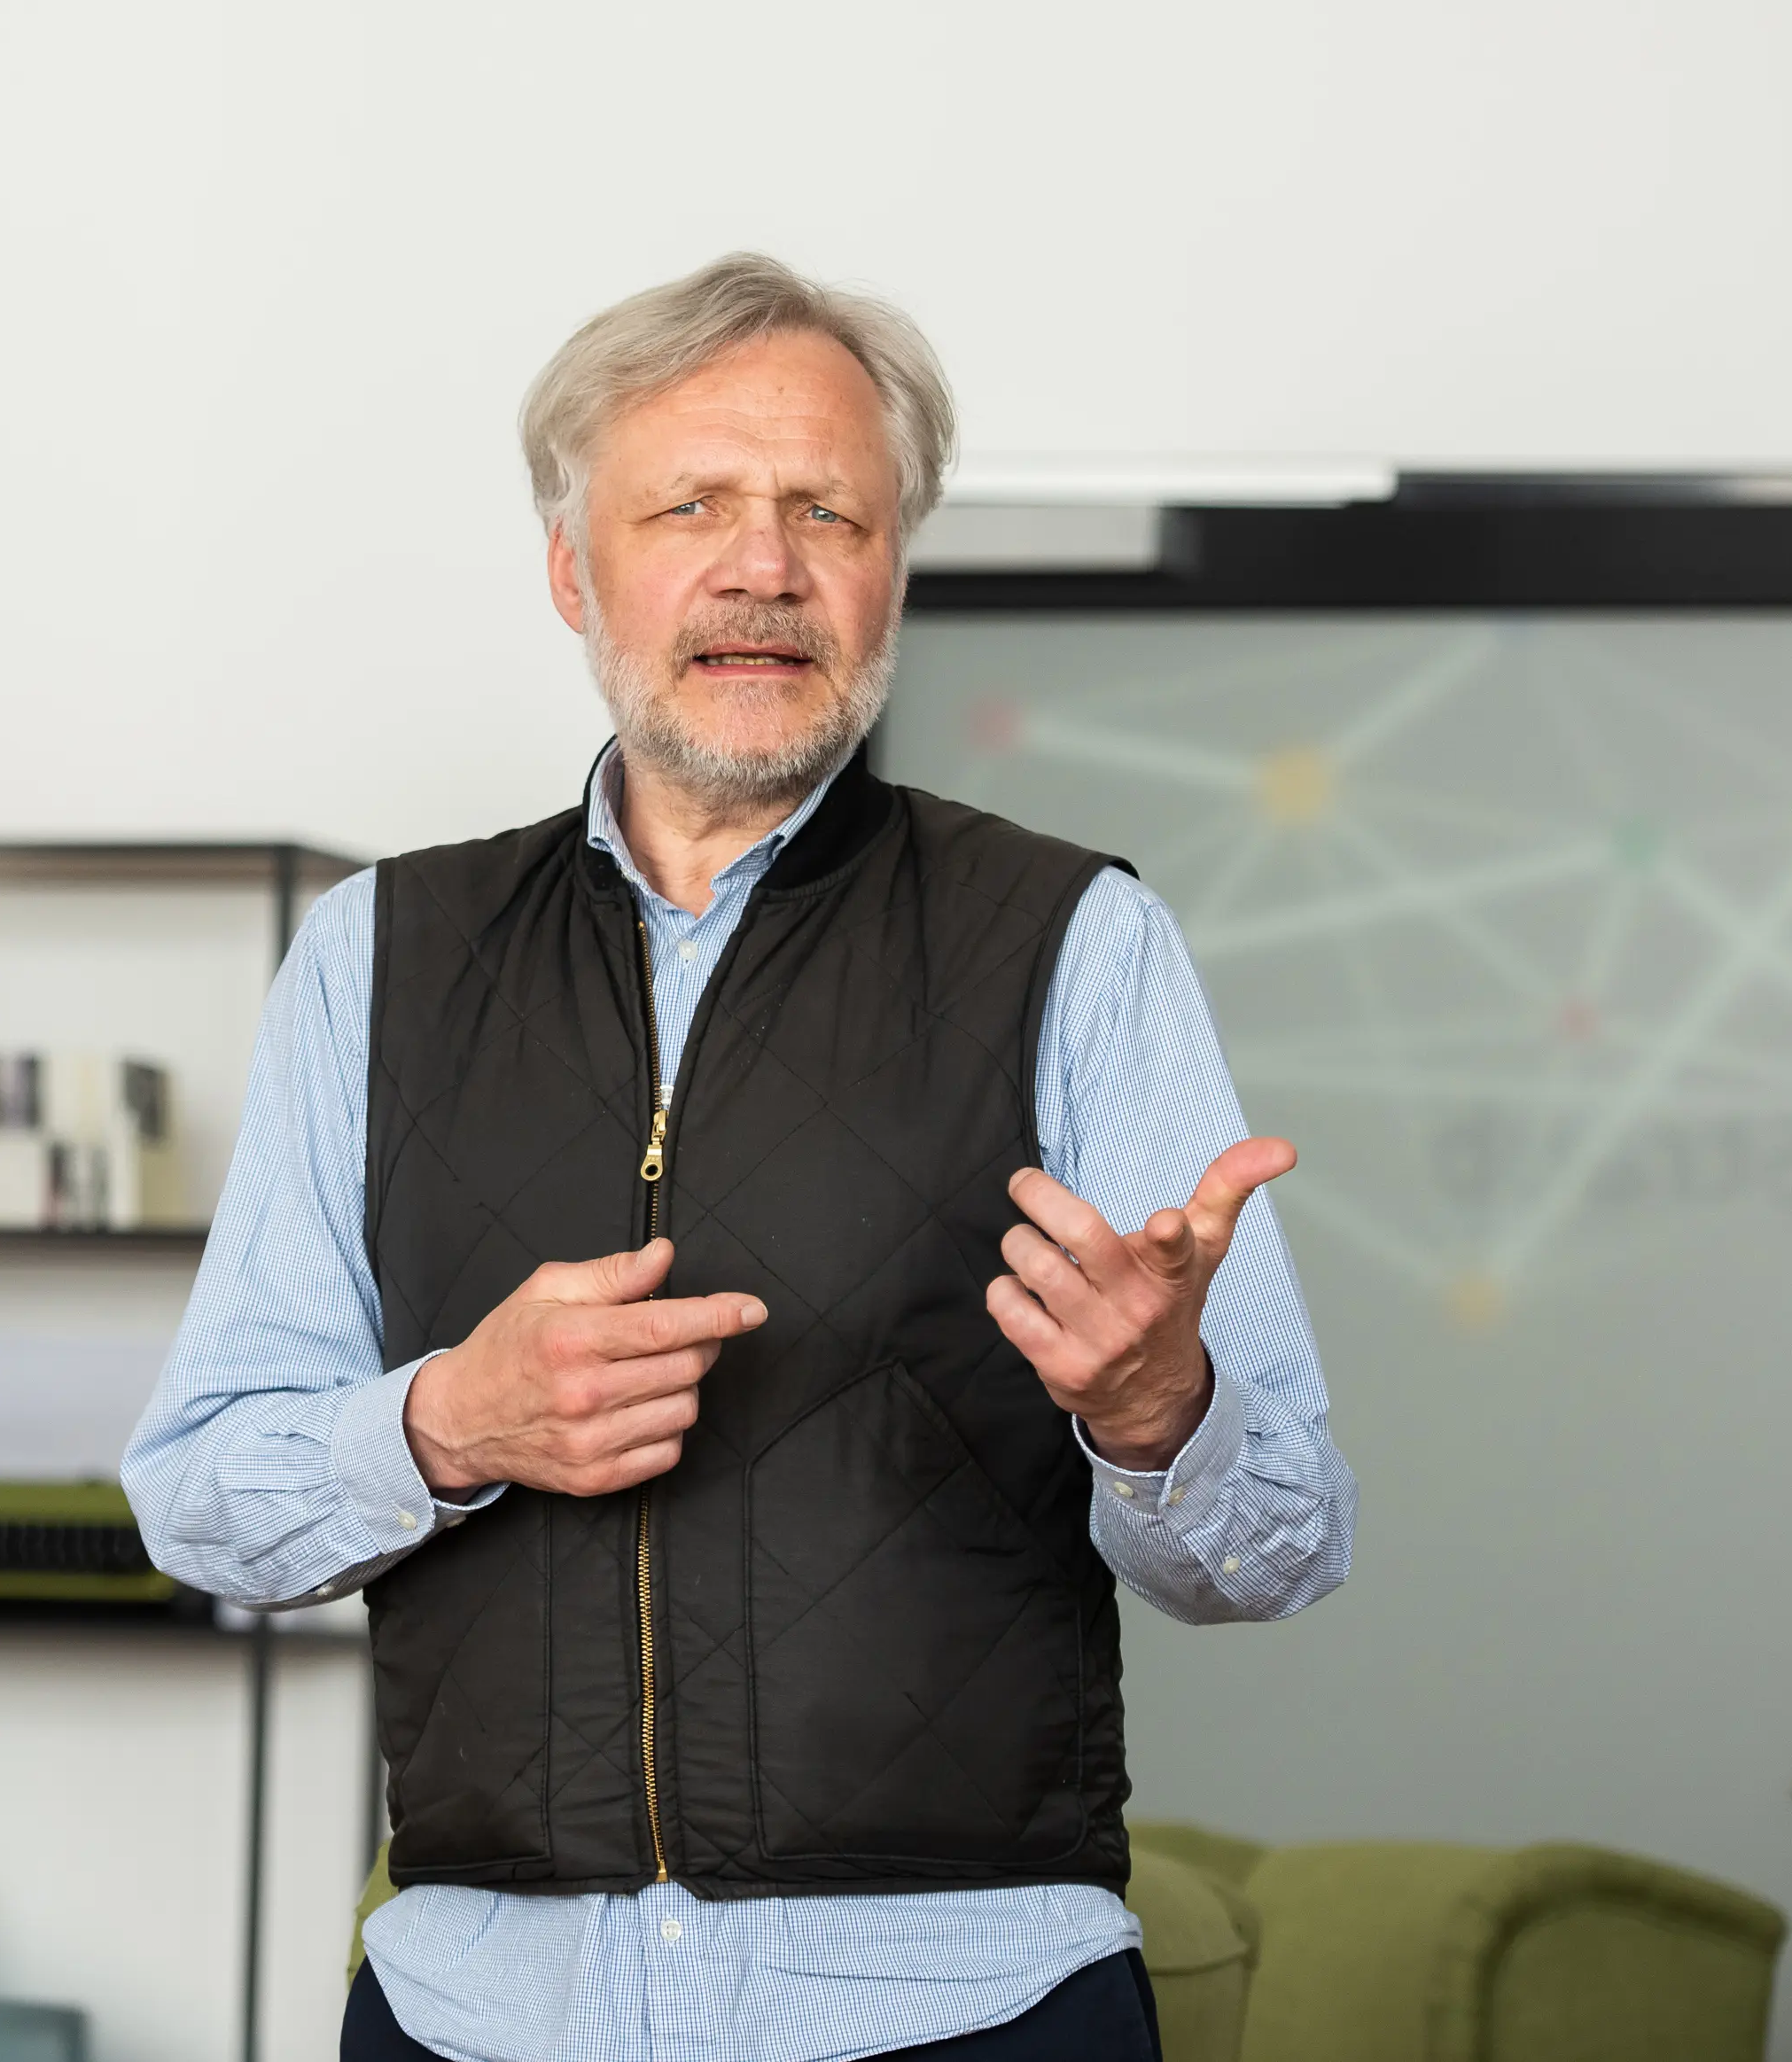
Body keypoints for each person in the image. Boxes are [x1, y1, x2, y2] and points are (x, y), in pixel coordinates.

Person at [124, 253, 1358, 2062]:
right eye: (687, 504)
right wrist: (447, 1422)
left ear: (888, 571)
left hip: (967, 2011)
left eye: (823, 511)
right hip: (474, 2010)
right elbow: (198, 1491)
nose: (760, 566)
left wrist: (1157, 1404)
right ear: (573, 568)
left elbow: (1280, 1543)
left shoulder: (1072, 937)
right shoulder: (372, 957)